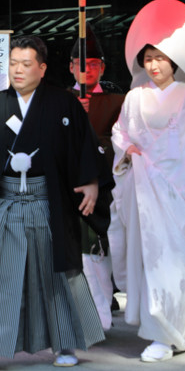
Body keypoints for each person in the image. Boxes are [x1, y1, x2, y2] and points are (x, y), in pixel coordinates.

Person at [0, 35, 105, 371]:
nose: (18, 70)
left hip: (49, 201)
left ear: (42, 68)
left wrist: (91, 181)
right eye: (14, 63)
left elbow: (84, 147)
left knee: (56, 273)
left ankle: (65, 343)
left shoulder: (65, 106)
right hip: (4, 203)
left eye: (26, 64)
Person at [109, 0, 185, 363]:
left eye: (161, 57)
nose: (154, 65)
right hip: (143, 193)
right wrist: (128, 152)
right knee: (151, 261)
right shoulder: (133, 97)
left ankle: (180, 330)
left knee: (176, 264)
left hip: (177, 193)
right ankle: (159, 333)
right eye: (149, 57)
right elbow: (120, 133)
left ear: (174, 60)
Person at [68, 30, 124, 322]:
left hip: (107, 184)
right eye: (80, 62)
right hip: (70, 186)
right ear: (70, 67)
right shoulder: (60, 100)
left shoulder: (118, 101)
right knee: (78, 248)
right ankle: (86, 310)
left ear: (102, 68)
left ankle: (104, 304)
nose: (86, 69)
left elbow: (121, 143)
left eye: (92, 63)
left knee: (103, 245)